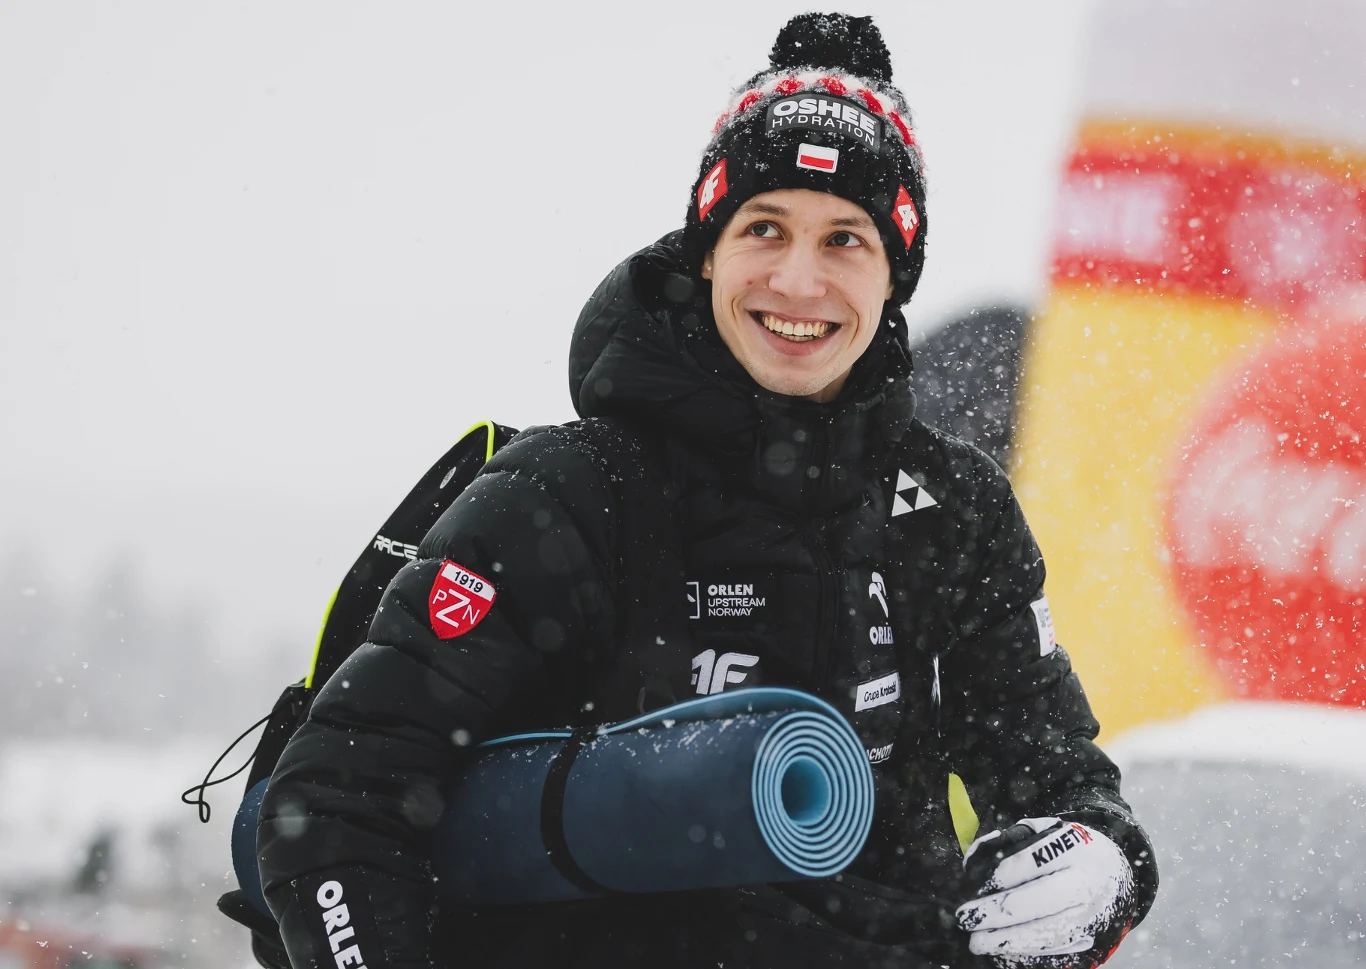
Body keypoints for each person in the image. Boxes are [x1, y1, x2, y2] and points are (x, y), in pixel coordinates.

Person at [256, 13, 1156, 969]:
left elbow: (1056, 776)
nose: (798, 280)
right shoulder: (567, 496)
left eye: (845, 239)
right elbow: (336, 807)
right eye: (764, 228)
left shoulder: (954, 509)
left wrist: (1108, 862)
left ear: (895, 274)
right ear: (708, 250)